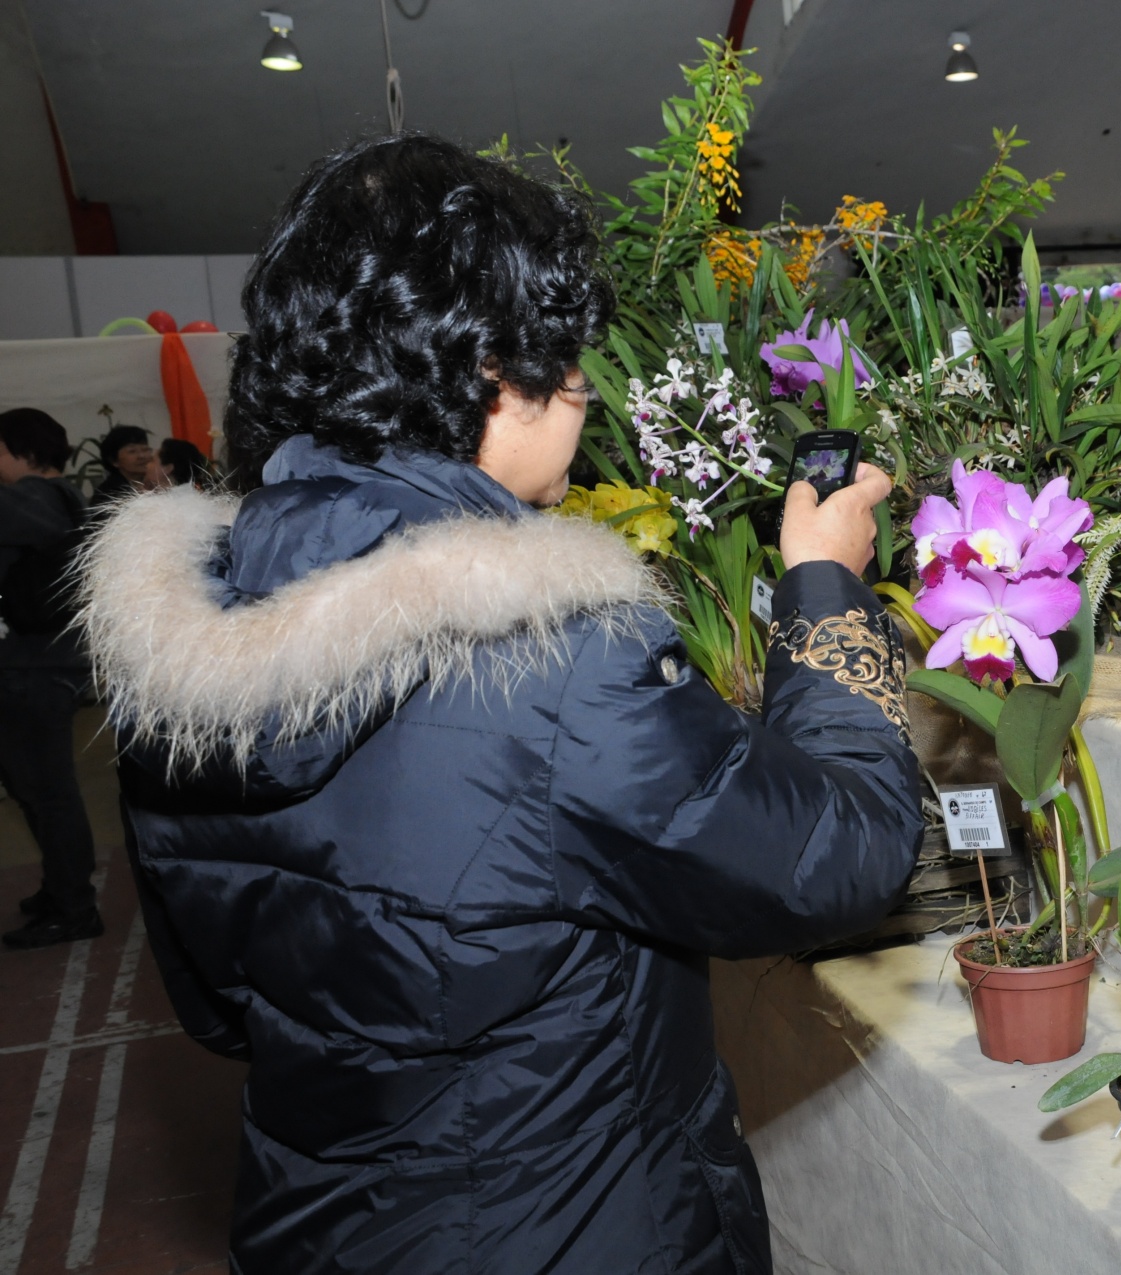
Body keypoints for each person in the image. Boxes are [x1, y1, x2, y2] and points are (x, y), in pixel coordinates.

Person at [77, 135, 922, 1274]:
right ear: (490, 373)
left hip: (319, 1228)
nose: (583, 396)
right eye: (569, 366)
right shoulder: (547, 655)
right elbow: (845, 856)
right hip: (575, 1234)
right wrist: (827, 585)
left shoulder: (182, 628)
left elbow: (221, 1009)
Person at [0, 408, 100, 948]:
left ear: (26, 454)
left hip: (34, 668)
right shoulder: (60, 498)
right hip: (43, 665)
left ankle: (74, 906)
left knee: (48, 792)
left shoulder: (34, 500)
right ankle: (61, 889)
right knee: (38, 788)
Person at [90, 423, 156, 509]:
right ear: (114, 461)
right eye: (132, 451)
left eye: (145, 449)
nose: (142, 456)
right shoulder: (109, 494)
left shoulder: (156, 483)